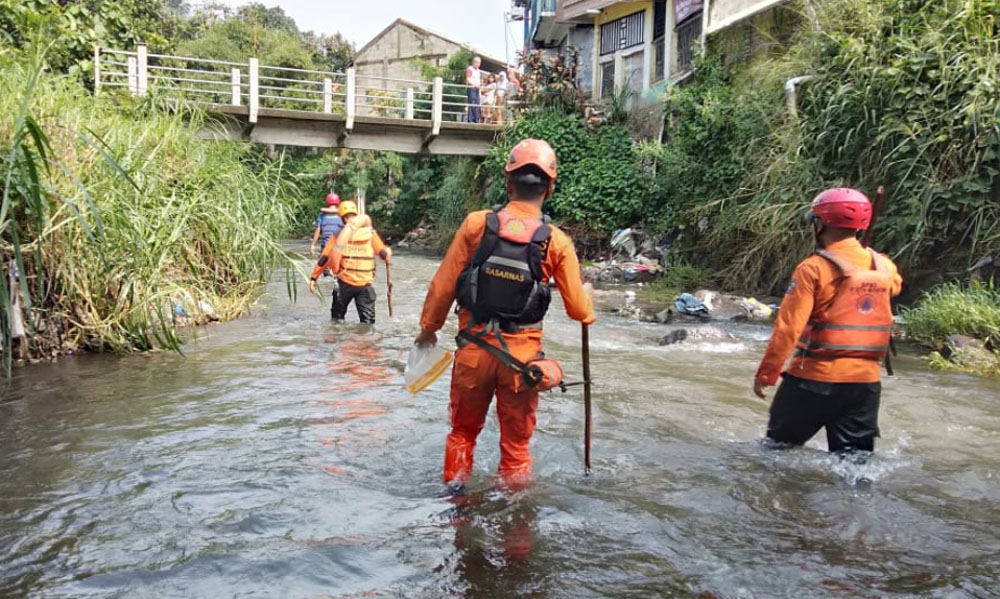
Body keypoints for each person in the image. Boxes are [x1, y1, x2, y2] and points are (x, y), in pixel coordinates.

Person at [414, 138, 596, 493]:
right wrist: (588, 302)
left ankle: (456, 506)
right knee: (515, 449)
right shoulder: (556, 241)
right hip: (521, 363)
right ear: (550, 188)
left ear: (508, 182)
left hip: (472, 352)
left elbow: (443, 284)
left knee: (463, 433)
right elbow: (578, 311)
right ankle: (516, 533)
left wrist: (428, 330)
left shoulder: (475, 224)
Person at [753, 187, 903, 455]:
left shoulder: (812, 269)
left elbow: (788, 328)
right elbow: (893, 289)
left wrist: (767, 373)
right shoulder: (885, 267)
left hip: (813, 381)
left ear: (820, 223)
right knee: (853, 464)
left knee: (775, 453)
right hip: (865, 385)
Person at [309, 200, 391, 324]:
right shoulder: (370, 234)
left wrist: (314, 278)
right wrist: (388, 253)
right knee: (368, 323)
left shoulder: (337, 235)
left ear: (342, 218)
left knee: (336, 320)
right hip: (365, 285)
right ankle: (367, 342)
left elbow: (324, 258)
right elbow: (383, 254)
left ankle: (335, 341)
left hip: (344, 284)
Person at [310, 193, 344, 258]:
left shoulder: (322, 215)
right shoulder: (342, 215)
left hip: (325, 245)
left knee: (323, 264)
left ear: (327, 202)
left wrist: (313, 245)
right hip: (339, 245)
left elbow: (318, 229)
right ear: (338, 202)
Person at [465, 56, 482, 123]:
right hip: (471, 88)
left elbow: (478, 81)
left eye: (479, 63)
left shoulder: (478, 71)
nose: (477, 64)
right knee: (472, 103)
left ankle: (476, 119)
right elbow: (468, 78)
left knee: (477, 103)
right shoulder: (470, 69)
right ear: (473, 62)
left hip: (477, 88)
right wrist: (473, 84)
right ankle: (470, 119)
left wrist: (479, 90)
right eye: (476, 62)